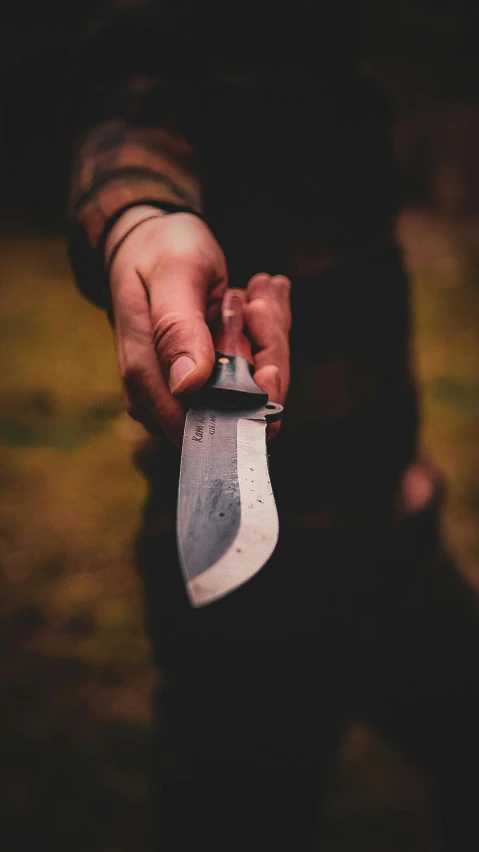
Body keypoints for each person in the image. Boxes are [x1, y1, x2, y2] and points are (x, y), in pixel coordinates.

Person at [55, 1, 479, 848]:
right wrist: (142, 225)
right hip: (249, 602)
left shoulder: (334, 56)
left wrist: (404, 472)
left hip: (396, 541)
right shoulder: (176, 28)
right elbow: (127, 143)